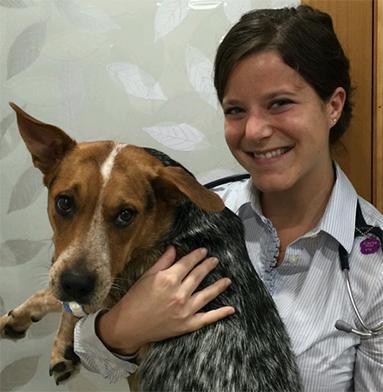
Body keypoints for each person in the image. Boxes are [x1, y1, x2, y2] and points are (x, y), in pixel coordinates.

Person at [73, 5, 383, 391]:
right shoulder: (190, 213)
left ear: (332, 106)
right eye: (235, 110)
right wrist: (121, 329)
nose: (253, 131)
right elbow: (86, 349)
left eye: (280, 103)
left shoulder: (375, 269)